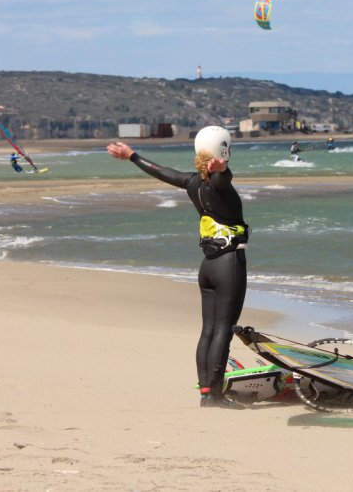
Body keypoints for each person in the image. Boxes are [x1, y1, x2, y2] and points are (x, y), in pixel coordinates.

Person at [106, 126, 248, 409]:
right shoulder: (220, 182)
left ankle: (206, 391)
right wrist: (224, 164)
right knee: (223, 329)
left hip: (207, 267)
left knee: (208, 330)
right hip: (228, 263)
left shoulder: (193, 183)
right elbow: (223, 176)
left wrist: (133, 156)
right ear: (224, 150)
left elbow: (163, 172)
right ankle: (216, 396)